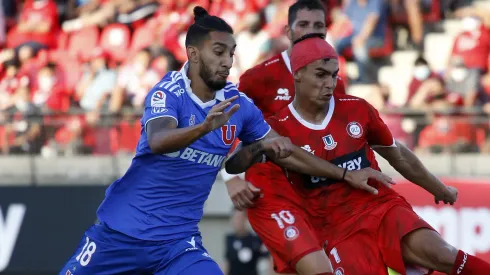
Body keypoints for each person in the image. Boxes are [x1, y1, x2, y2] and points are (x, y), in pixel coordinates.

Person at [59, 6, 392, 275]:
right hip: (121, 235)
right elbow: (159, 139)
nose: (227, 60)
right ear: (193, 53)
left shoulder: (239, 106)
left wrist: (345, 174)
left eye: (231, 53)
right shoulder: (167, 92)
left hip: (178, 246)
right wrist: (204, 128)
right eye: (218, 51)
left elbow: (286, 152)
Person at [226, 35, 490, 275]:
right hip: (332, 226)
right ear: (298, 73)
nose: (329, 83)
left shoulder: (357, 110)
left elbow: (398, 155)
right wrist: (257, 151)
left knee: (443, 254)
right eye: (320, 75)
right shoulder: (278, 127)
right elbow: (235, 163)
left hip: (378, 205)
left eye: (333, 75)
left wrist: (438, 187)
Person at [221, 0, 345, 207]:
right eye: (303, 25)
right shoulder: (258, 78)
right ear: (288, 31)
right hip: (272, 186)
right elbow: (224, 126)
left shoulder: (336, 82)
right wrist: (230, 177)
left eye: (318, 26)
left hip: (320, 189)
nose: (311, 32)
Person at [223, 208, 269, 275]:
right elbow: (227, 262)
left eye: (240, 218)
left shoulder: (256, 239)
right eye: (235, 218)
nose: (237, 221)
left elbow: (268, 259)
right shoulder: (229, 238)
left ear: (246, 219)